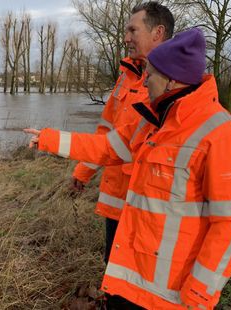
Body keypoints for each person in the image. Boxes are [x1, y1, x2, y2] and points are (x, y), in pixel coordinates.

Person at [25, 28, 231, 309]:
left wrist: (199, 292)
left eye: (151, 75)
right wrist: (48, 139)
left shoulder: (224, 136)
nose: (144, 81)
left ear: (172, 81)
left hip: (171, 295)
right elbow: (106, 147)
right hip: (129, 280)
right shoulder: (153, 121)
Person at [70, 2, 174, 267]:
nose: (126, 38)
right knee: (113, 271)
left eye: (132, 30)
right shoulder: (126, 77)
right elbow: (107, 133)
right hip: (117, 199)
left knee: (141, 276)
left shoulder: (174, 80)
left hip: (150, 206)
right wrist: (83, 172)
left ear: (157, 32)